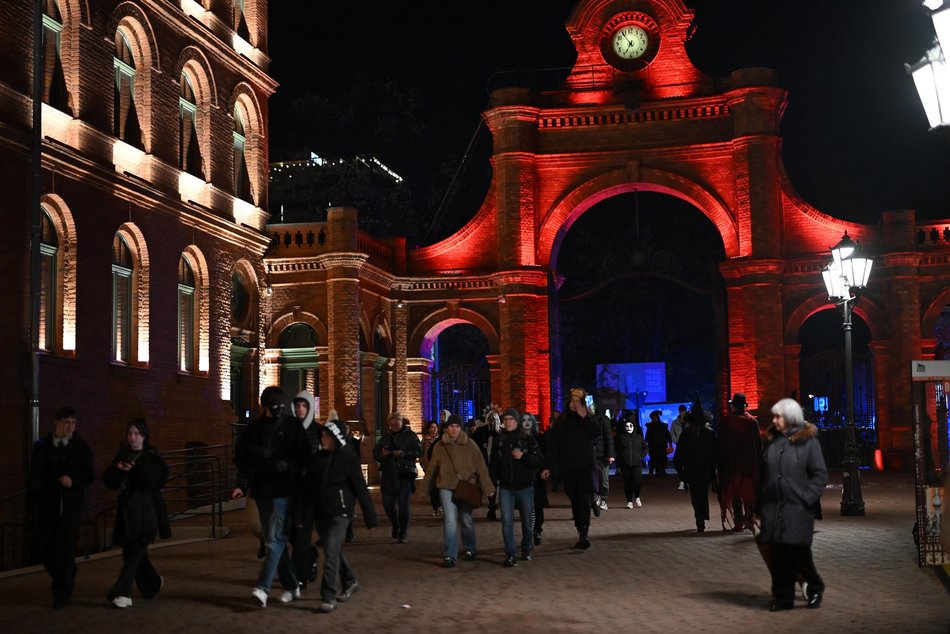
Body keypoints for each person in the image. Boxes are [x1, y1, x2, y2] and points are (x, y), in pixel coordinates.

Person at [235, 385, 311, 608]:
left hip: (283, 490)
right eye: (272, 406)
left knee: (275, 540)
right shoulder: (255, 429)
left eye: (280, 405)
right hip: (262, 489)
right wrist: (256, 458)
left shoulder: (292, 426)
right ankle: (291, 584)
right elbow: (240, 456)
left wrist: (288, 466)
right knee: (272, 539)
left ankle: (262, 588)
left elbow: (305, 457)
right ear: (265, 406)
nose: (277, 409)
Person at [760, 398, 827, 611]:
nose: (775, 420)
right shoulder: (773, 441)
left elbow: (819, 474)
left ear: (790, 417)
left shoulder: (808, 443)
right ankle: (783, 597)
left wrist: (806, 498)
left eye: (778, 416)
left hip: (797, 508)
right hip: (773, 507)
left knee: (798, 552)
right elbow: (764, 474)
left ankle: (815, 587)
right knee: (779, 555)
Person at [29, 406, 94, 608]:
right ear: (56, 423)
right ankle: (65, 573)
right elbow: (35, 474)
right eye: (66, 422)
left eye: (73, 423)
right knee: (44, 550)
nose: (70, 427)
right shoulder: (42, 447)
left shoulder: (81, 447)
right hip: (47, 506)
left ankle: (62, 594)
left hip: (70, 508)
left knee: (65, 551)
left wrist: (73, 481)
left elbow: (89, 475)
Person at [310, 420, 378, 613]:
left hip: (341, 512)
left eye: (326, 436)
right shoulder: (318, 459)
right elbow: (309, 487)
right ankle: (350, 581)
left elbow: (361, 489)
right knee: (334, 551)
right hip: (321, 513)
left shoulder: (348, 458)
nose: (323, 439)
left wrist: (370, 518)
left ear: (336, 438)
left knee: (330, 551)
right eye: (322, 435)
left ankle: (328, 595)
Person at [103, 419, 170, 608]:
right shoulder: (122, 455)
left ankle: (121, 593)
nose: (132, 437)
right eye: (130, 434)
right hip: (127, 512)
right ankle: (152, 585)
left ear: (143, 436)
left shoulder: (151, 456)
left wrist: (134, 471)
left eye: (136, 434)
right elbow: (109, 481)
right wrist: (118, 470)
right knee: (133, 553)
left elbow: (155, 479)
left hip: (146, 512)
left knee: (134, 551)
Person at [421, 414, 494, 568]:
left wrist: (488, 487)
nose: (454, 429)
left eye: (457, 426)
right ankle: (449, 555)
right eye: (451, 426)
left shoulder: (470, 445)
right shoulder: (440, 447)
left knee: (466, 520)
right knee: (450, 521)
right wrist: (425, 488)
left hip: (465, 487)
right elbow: (433, 468)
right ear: (446, 428)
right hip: (446, 487)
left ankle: (470, 548)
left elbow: (481, 467)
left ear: (461, 428)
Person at [541, 388, 601, 550]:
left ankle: (584, 532)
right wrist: (547, 465)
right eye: (572, 400)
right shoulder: (561, 421)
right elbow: (552, 445)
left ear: (582, 403)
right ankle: (579, 524)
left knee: (582, 497)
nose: (574, 404)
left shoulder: (587, 418)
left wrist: (585, 418)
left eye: (577, 401)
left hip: (584, 467)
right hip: (567, 467)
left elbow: (595, 433)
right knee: (574, 498)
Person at [490, 408, 541, 567]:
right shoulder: (499, 439)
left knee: (526, 520)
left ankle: (527, 547)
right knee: (507, 522)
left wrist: (523, 456)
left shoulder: (527, 438)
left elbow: (538, 460)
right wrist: (492, 483)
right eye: (505, 419)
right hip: (506, 487)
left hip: (525, 486)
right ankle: (510, 553)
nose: (507, 422)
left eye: (510, 419)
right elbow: (493, 464)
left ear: (516, 421)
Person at [373, 412, 422, 543]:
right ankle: (395, 524)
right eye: (392, 424)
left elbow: (419, 451)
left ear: (402, 423)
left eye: (397, 424)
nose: (394, 426)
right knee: (387, 505)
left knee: (404, 506)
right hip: (388, 477)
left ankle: (403, 533)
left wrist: (403, 453)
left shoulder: (410, 435)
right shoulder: (385, 438)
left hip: (404, 476)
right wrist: (382, 454)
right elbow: (376, 453)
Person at [718, 393, 763, 532]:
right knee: (749, 493)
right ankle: (749, 518)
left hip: (732, 464)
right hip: (750, 465)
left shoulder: (726, 422)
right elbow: (759, 446)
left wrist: (721, 464)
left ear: (733, 406)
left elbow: (722, 446)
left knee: (736, 494)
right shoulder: (753, 422)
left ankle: (738, 523)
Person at [290, 390, 321, 589]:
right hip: (290, 488)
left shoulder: (317, 431)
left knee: (302, 533)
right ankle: (310, 556)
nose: (301, 409)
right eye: (298, 406)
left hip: (310, 490)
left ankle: (299, 577)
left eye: (304, 406)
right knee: (293, 534)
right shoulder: (289, 429)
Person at [673, 402, 718, 532]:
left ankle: (699, 516)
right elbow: (716, 453)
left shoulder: (687, 434)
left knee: (696, 494)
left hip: (692, 470)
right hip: (703, 469)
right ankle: (701, 516)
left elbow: (678, 457)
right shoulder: (709, 433)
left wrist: (682, 473)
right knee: (702, 493)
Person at [521, 412, 549, 545]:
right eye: (524, 420)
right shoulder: (518, 439)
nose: (527, 422)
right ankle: (528, 532)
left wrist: (545, 469)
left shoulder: (540, 438)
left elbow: (545, 456)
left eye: (529, 420)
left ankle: (537, 530)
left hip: (537, 476)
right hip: (524, 477)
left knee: (537, 505)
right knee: (526, 507)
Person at [473, 409, 500, 520]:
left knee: (494, 484)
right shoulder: (481, 431)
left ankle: (492, 507)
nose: (492, 421)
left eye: (494, 419)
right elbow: (473, 445)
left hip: (496, 463)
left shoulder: (500, 433)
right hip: (484, 462)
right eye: (490, 419)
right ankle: (491, 506)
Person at [614, 414, 647, 509]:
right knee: (628, 483)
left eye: (631, 426)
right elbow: (617, 450)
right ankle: (629, 501)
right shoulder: (620, 438)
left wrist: (641, 456)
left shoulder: (639, 437)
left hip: (637, 463)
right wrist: (618, 463)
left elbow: (645, 448)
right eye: (627, 426)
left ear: (634, 427)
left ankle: (637, 497)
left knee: (637, 481)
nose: (629, 428)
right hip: (625, 464)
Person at [591, 405, 615, 511]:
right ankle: (596, 497)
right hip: (591, 454)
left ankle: (603, 499)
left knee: (604, 478)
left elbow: (608, 438)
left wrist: (610, 455)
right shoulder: (586, 419)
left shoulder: (604, 420)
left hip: (602, 455)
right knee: (593, 478)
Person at [420, 420, 443, 517]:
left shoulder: (441, 439)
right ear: (429, 429)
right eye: (432, 427)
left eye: (436, 427)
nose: (434, 429)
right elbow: (421, 453)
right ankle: (435, 507)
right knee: (432, 489)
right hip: (429, 467)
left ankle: (440, 505)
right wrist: (423, 463)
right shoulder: (425, 440)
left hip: (439, 467)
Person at [645, 410, 673, 476]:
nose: (654, 419)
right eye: (653, 418)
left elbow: (668, 435)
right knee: (653, 459)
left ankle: (662, 470)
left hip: (662, 445)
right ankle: (652, 471)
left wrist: (670, 444)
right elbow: (647, 437)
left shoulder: (663, 426)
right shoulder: (650, 427)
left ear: (658, 418)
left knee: (663, 458)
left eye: (655, 417)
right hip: (653, 446)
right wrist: (645, 445)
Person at [670, 404, 688, 491]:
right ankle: (683, 480)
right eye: (681, 411)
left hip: (689, 446)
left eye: (683, 411)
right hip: (679, 445)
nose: (682, 413)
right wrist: (676, 440)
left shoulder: (689, 422)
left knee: (688, 464)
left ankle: (685, 481)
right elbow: (672, 433)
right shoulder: (675, 422)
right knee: (677, 463)